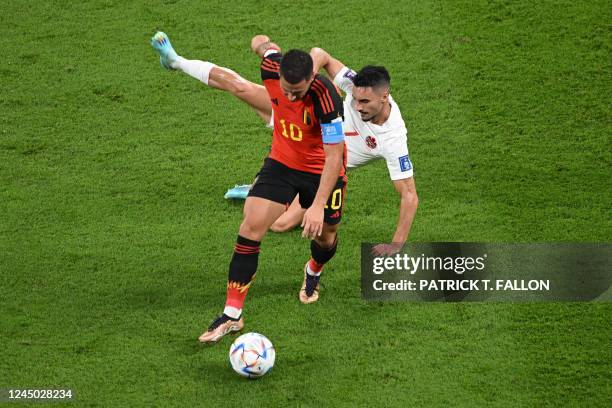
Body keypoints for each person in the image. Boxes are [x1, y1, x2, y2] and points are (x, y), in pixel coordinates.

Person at [151, 32, 347, 343]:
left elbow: (335, 156)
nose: (292, 98)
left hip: (320, 170)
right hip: (282, 162)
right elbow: (261, 43)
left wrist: (319, 204)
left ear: (311, 78)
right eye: (286, 91)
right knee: (251, 226)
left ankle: (313, 271)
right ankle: (232, 314)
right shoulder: (272, 69)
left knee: (326, 238)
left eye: (297, 92)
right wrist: (263, 45)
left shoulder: (325, 97)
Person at [150, 33, 418, 257]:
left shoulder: (393, 139)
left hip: (316, 166)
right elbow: (320, 53)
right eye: (355, 100)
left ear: (385, 98)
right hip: (301, 118)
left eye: (365, 104)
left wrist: (396, 245)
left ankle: (256, 190)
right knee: (240, 87)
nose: (357, 106)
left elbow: (409, 195)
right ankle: (175, 61)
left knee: (279, 224)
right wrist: (304, 85)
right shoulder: (357, 84)